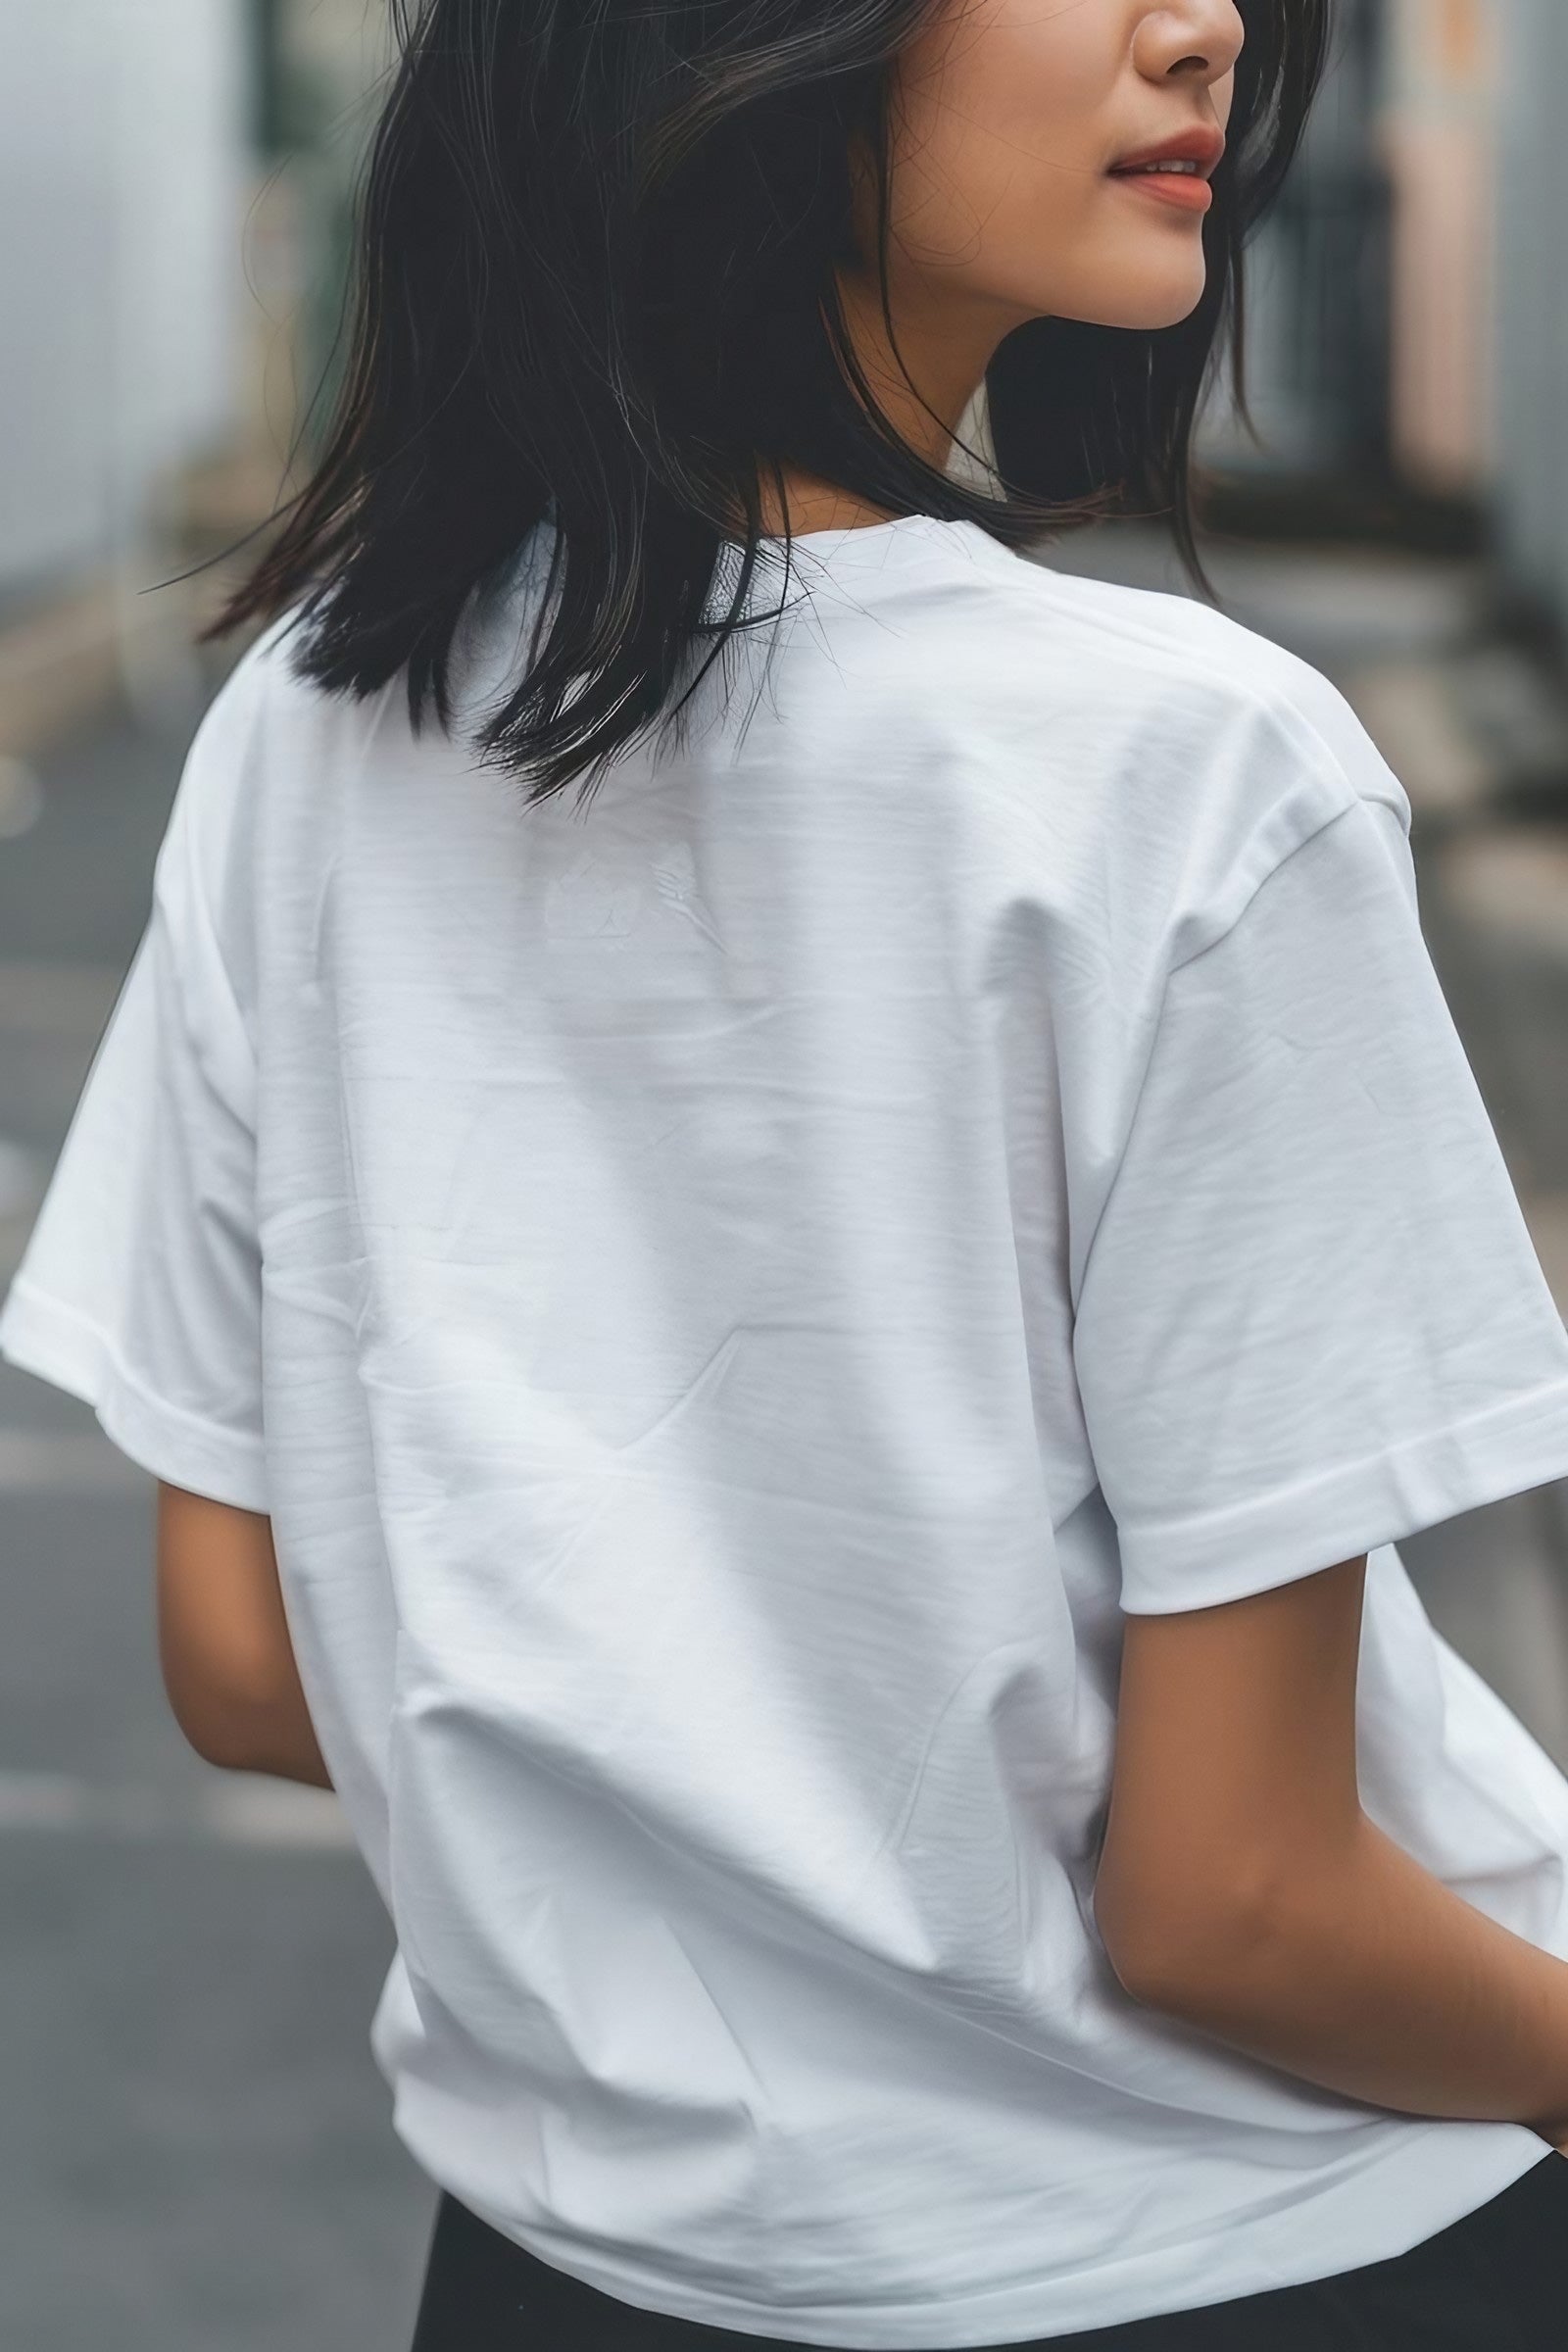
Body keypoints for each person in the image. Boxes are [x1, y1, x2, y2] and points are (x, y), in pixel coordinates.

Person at [7, 0, 1568, 2342]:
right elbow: (1233, 1905)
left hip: (567, 2269)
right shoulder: (1188, 776)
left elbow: (247, 1659)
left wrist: (717, 1796)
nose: (1206, 28)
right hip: (1239, 2252)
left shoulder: (311, 726)